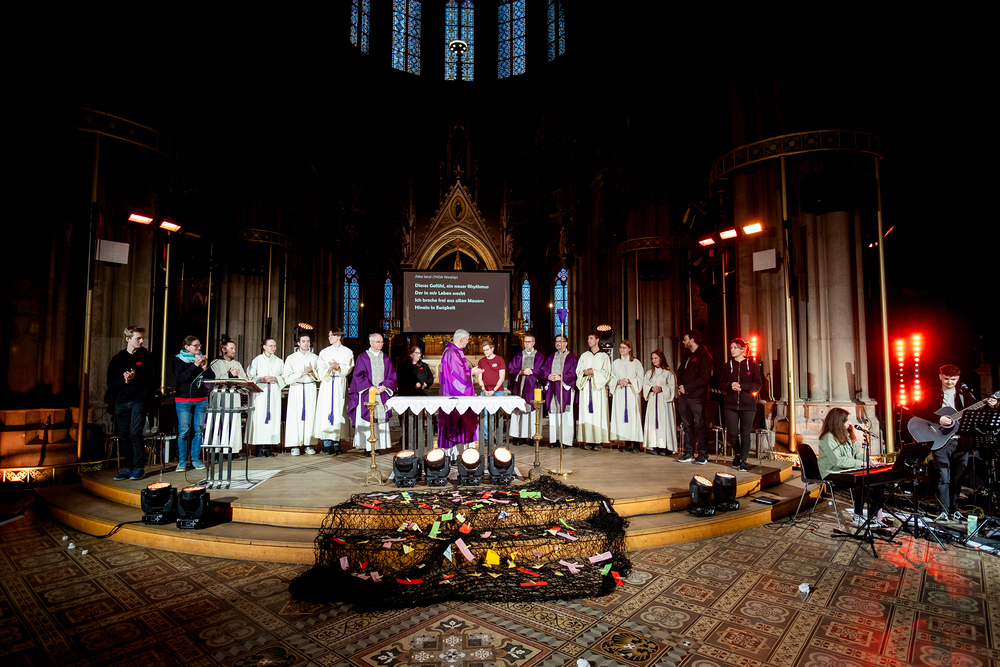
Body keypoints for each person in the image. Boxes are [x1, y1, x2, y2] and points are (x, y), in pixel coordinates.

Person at [911, 364, 998, 523]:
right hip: (940, 441)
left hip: (961, 442)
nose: (949, 382)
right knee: (943, 477)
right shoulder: (931, 393)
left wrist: (989, 406)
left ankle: (955, 510)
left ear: (958, 378)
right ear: (940, 376)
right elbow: (915, 410)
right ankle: (943, 511)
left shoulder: (965, 393)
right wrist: (938, 419)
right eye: (946, 378)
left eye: (953, 379)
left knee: (957, 478)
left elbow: (975, 414)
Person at [817, 407, 884, 528]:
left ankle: (873, 516)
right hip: (833, 472)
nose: (850, 423)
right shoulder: (828, 438)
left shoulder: (846, 435)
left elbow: (857, 454)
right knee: (863, 480)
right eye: (847, 420)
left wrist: (871, 462)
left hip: (847, 469)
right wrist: (862, 464)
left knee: (880, 481)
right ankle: (858, 515)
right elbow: (838, 461)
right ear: (838, 422)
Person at [107, 325, 155, 480]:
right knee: (124, 435)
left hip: (139, 400)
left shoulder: (147, 356)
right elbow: (111, 383)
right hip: (122, 401)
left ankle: (139, 466)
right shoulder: (118, 358)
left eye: (142, 338)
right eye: (138, 338)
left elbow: (153, 378)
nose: (141, 341)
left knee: (135, 432)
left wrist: (135, 378)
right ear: (128, 339)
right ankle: (129, 467)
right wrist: (125, 381)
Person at [436, 329, 484, 459]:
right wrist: (471, 372)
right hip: (455, 394)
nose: (468, 342)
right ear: (461, 339)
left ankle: (461, 453)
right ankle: (454, 455)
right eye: (467, 339)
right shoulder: (452, 352)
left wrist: (470, 371)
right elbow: (457, 375)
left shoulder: (454, 351)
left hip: (455, 393)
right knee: (457, 419)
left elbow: (458, 371)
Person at [348, 333, 397, 453]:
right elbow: (358, 376)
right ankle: (367, 447)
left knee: (379, 420)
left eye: (382, 342)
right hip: (367, 393)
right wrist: (371, 387)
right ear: (371, 343)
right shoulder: (363, 357)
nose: (380, 344)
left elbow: (391, 375)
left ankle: (378, 446)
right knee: (367, 419)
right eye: (378, 342)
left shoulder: (385, 358)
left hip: (381, 394)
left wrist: (384, 387)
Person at [720, 338, 762, 471]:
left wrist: (743, 387)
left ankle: (743, 460)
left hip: (747, 405)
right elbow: (722, 383)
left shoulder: (752, 366)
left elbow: (758, 384)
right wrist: (730, 385)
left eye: (735, 347)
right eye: (731, 348)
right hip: (730, 404)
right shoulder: (727, 366)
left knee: (745, 433)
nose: (732, 350)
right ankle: (737, 453)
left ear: (743, 349)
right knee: (732, 433)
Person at [174, 335, 215, 472]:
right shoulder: (178, 360)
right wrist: (195, 365)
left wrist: (205, 367)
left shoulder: (202, 359)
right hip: (183, 400)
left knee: (198, 430)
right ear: (187, 347)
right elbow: (182, 378)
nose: (198, 348)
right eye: (195, 345)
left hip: (201, 399)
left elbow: (211, 377)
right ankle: (181, 461)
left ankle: (196, 459)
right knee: (184, 430)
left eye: (199, 345)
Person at [313, 328, 355, 455]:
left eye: (331, 335)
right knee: (326, 412)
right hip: (327, 383)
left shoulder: (347, 352)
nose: (329, 337)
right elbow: (320, 368)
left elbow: (348, 368)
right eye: (329, 335)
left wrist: (339, 367)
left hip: (339, 383)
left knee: (338, 411)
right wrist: (329, 368)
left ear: (339, 336)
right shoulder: (324, 352)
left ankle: (337, 443)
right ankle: (327, 444)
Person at [676, 329, 713, 464]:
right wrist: (681, 386)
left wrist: (688, 388)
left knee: (700, 425)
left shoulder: (704, 355)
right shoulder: (687, 355)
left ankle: (703, 454)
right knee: (687, 425)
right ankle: (689, 452)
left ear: (692, 340)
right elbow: (679, 372)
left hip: (697, 397)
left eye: (685, 339)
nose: (683, 342)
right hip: (684, 397)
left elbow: (704, 377)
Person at [282, 332, 320, 455]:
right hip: (296, 388)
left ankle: (309, 444)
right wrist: (302, 373)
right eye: (303, 341)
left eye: (308, 341)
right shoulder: (291, 358)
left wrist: (311, 372)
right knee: (295, 416)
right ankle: (295, 445)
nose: (306, 343)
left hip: (310, 388)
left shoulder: (315, 358)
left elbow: (320, 376)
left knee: (310, 416)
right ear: (298, 343)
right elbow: (287, 378)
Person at [246, 338, 283, 458]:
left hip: (273, 393)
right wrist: (260, 379)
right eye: (270, 345)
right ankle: (258, 448)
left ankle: (268, 448)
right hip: (260, 394)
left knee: (272, 419)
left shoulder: (279, 361)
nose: (273, 348)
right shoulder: (257, 360)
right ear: (264, 346)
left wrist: (276, 378)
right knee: (259, 419)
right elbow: (249, 376)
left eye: (275, 346)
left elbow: (284, 376)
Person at [576, 331, 611, 450]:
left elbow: (607, 373)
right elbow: (578, 370)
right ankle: (589, 440)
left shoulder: (604, 356)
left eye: (591, 338)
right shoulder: (584, 355)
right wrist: (584, 372)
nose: (589, 341)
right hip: (586, 387)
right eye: (588, 339)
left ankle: (598, 441)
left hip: (598, 389)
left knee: (598, 414)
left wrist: (594, 372)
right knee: (587, 414)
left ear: (597, 340)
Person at [540, 335, 577, 449]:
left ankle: (565, 440)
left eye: (560, 341)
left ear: (566, 343)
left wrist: (561, 377)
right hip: (552, 388)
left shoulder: (571, 357)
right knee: (553, 414)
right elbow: (544, 370)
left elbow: (573, 373)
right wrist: (548, 376)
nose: (558, 343)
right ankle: (554, 439)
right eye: (556, 341)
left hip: (565, 389)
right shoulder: (551, 357)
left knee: (565, 414)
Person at [507, 333, 543, 445]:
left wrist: (533, 371)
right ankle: (519, 437)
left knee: (532, 411)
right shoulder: (518, 356)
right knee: (519, 411)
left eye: (529, 342)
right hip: (520, 387)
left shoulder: (539, 356)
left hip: (533, 387)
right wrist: (520, 372)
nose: (526, 344)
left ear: (533, 343)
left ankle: (532, 437)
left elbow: (543, 370)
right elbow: (511, 369)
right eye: (525, 342)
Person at [611, 339, 644, 452]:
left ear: (629, 349)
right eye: (620, 347)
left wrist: (629, 381)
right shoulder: (616, 363)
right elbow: (611, 377)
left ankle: (636, 444)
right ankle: (626, 443)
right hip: (620, 393)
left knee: (633, 418)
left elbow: (640, 378)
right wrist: (619, 381)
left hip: (631, 393)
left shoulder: (636, 363)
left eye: (624, 348)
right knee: (622, 418)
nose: (621, 350)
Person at [643, 349, 677, 455]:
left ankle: (666, 447)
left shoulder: (668, 373)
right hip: (653, 400)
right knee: (653, 422)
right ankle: (655, 445)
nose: (654, 360)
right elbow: (645, 385)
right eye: (652, 358)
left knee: (664, 422)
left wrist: (662, 389)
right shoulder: (649, 373)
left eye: (656, 358)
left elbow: (672, 387)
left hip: (664, 401)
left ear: (661, 359)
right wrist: (651, 388)